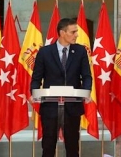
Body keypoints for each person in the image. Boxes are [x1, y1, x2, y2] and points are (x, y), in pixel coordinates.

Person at [30, 17, 93, 157]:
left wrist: (87, 92)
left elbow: (87, 76)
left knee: (72, 147)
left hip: (72, 106)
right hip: (50, 107)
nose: (77, 34)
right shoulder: (44, 52)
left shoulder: (80, 51)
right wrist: (33, 93)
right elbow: (36, 78)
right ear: (62, 33)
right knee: (48, 146)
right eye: (73, 32)